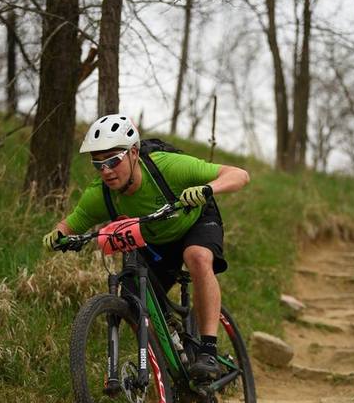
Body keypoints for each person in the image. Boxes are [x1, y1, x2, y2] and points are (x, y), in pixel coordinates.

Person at [43, 114, 250, 383]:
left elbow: (239, 175)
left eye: (113, 160)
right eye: (98, 163)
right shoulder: (100, 194)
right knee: (133, 297)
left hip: (194, 221)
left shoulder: (168, 167)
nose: (106, 170)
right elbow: (72, 223)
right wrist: (58, 235)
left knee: (197, 256)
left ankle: (208, 349)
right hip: (154, 240)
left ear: (134, 153)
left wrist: (206, 189)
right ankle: (175, 359)